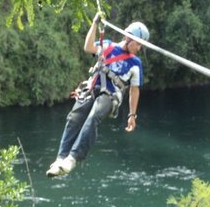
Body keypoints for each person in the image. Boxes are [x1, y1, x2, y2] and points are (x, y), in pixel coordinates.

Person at [46, 13, 149, 176]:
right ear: (128, 38)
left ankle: (72, 159)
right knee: (74, 118)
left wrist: (132, 115)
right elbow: (88, 48)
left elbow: (134, 90)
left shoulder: (136, 64)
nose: (139, 48)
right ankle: (60, 158)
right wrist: (95, 24)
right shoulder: (107, 46)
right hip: (92, 89)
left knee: (93, 117)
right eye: (139, 44)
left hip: (110, 96)